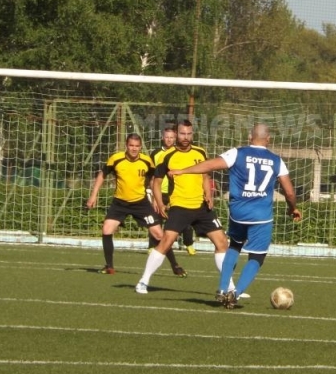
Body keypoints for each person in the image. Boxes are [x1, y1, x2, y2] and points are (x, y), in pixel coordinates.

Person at [170, 123, 302, 309]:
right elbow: (289, 192)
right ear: (268, 139)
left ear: (250, 137)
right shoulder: (276, 160)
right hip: (261, 216)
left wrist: (182, 171)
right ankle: (236, 293)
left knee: (234, 246)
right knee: (257, 257)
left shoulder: (237, 153)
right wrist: (293, 208)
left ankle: (222, 288)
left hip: (238, 213)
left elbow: (210, 165)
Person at [135, 120, 229, 294]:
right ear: (177, 134)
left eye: (189, 134)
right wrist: (159, 202)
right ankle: (143, 281)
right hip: (179, 206)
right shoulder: (167, 156)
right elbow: (156, 182)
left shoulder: (200, 152)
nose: (186, 137)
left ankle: (229, 287)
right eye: (182, 134)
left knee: (222, 242)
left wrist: (208, 194)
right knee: (166, 242)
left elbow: (205, 176)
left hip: (201, 206)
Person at [86, 133, 185, 277]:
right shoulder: (116, 159)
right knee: (107, 229)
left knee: (158, 234)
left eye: (137, 146)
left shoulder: (146, 161)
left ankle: (175, 266)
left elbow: (153, 180)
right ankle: (109, 266)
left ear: (140, 147)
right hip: (119, 203)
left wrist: (155, 200)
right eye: (131, 145)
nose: (134, 148)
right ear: (126, 146)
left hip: (141, 203)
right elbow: (102, 175)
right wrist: (93, 195)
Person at [151, 125, 196, 255]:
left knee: (184, 218)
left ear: (175, 138)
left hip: (175, 192)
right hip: (160, 192)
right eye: (167, 137)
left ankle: (189, 244)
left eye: (172, 137)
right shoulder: (156, 154)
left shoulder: (182, 153)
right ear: (162, 138)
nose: (169, 140)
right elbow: (153, 176)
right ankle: (153, 245)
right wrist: (154, 197)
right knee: (156, 220)